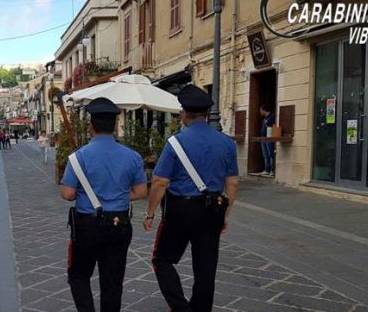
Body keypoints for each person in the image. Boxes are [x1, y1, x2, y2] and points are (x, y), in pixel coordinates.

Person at [143, 85, 239, 312]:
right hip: (213, 207)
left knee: (163, 260)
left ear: (184, 113)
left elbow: (160, 182)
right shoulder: (226, 143)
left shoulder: (175, 143)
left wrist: (150, 213)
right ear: (206, 114)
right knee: (206, 268)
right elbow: (233, 182)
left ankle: (180, 307)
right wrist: (226, 213)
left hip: (181, 209)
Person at [60, 97, 148, 312]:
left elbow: (68, 193)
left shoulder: (77, 157)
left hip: (87, 225)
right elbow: (140, 192)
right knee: (113, 281)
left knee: (79, 276)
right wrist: (116, 195)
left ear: (91, 126)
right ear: (115, 125)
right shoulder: (133, 156)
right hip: (119, 223)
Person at [259, 104, 276, 177]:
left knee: (270, 154)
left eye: (260, 110)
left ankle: (272, 170)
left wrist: (267, 123)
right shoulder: (265, 117)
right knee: (265, 154)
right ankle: (267, 169)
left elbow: (270, 125)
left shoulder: (272, 116)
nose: (260, 112)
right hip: (263, 137)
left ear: (264, 110)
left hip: (269, 137)